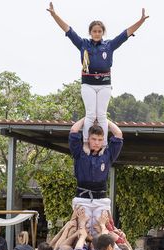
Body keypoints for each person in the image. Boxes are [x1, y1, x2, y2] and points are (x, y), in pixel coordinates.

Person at [47, 2, 149, 148]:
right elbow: (68, 29)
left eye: (99, 31)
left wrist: (141, 21)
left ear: (102, 32)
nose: (97, 33)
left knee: (101, 115)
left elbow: (126, 33)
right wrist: (54, 15)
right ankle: (86, 143)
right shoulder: (83, 44)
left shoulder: (109, 45)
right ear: (90, 32)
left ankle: (104, 145)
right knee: (90, 115)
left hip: (104, 84)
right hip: (88, 84)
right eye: (94, 31)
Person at [68, 117, 123, 236]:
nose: (97, 142)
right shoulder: (79, 152)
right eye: (94, 139)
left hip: (101, 200)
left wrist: (105, 120)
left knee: (101, 230)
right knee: (82, 230)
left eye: (100, 139)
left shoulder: (108, 155)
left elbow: (118, 134)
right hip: (82, 198)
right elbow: (73, 131)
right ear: (88, 139)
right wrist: (88, 117)